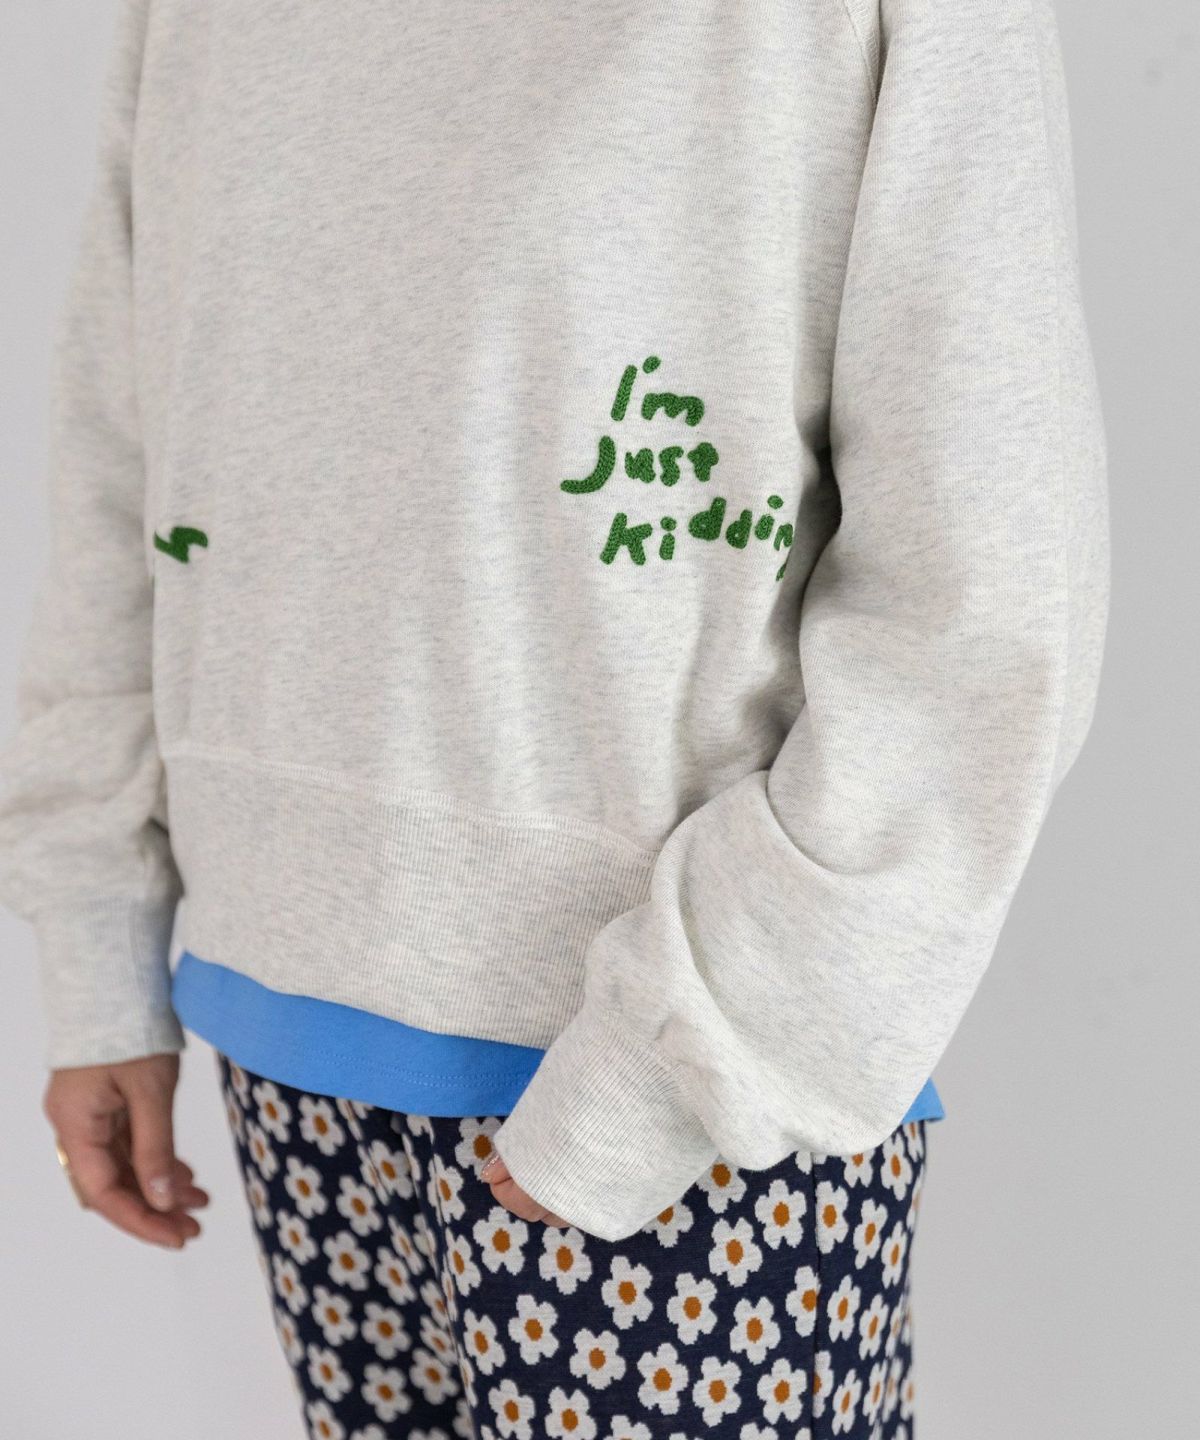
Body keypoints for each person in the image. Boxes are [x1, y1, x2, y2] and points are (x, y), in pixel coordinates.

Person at [0, 1, 1109, 1436]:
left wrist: (676, 1064)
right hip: (279, 1035)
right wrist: (95, 945)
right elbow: (122, 444)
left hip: (678, 1100)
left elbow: (984, 604)